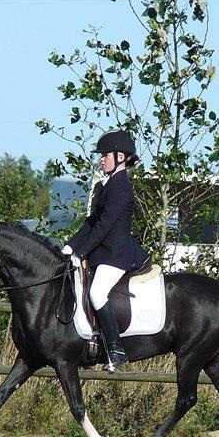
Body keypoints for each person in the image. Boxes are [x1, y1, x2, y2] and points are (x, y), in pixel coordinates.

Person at [62, 129, 147, 372]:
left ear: (121, 156)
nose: (101, 159)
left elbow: (105, 226)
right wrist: (71, 245)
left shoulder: (121, 187)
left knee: (97, 293)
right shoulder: (105, 185)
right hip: (103, 252)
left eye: (105, 154)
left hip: (117, 254)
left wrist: (82, 252)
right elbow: (91, 222)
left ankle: (116, 349)